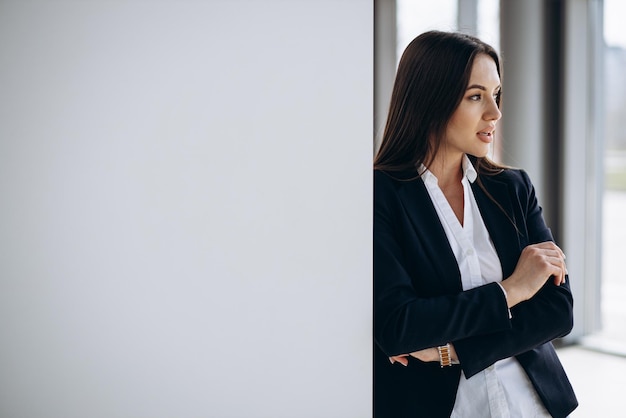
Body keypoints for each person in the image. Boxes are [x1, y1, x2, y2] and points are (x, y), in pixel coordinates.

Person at [373, 31, 578, 418]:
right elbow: (399, 325)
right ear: (430, 99)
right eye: (476, 96)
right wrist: (513, 289)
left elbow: (557, 309)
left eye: (496, 95)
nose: (495, 113)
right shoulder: (380, 195)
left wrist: (451, 350)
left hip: (532, 405)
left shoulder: (512, 188)